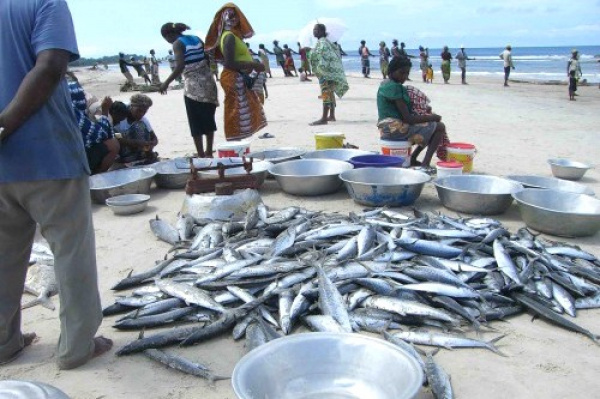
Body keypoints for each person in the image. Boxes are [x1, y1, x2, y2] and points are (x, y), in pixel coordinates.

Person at [0, 0, 112, 369]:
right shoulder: (44, 3)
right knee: (71, 252)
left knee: (3, 258)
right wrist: (5, 125)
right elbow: (50, 66)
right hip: (48, 153)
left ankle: (4, 343)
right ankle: (76, 347)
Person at [205, 3, 267, 141]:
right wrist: (253, 64)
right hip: (233, 77)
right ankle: (234, 144)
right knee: (236, 112)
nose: (233, 18)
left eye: (235, 15)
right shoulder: (229, 37)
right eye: (229, 15)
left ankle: (238, 144)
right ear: (223, 19)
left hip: (238, 77)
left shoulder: (233, 36)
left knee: (241, 112)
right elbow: (229, 63)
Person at [159, 23, 219, 158]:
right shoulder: (196, 38)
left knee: (195, 123)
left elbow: (180, 66)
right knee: (209, 120)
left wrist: (166, 83)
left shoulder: (177, 44)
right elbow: (208, 57)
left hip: (193, 88)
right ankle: (209, 152)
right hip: (209, 84)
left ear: (168, 35)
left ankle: (201, 154)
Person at [376, 57, 445, 167]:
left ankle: (413, 158)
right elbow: (408, 119)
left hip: (386, 129)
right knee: (439, 126)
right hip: (394, 129)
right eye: (401, 73)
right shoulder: (395, 87)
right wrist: (432, 117)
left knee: (430, 127)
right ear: (392, 71)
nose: (404, 76)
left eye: (407, 73)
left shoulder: (386, 84)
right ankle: (425, 164)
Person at [66, 73, 121, 173]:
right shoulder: (70, 107)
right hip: (69, 156)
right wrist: (103, 112)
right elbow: (100, 135)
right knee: (114, 144)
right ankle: (94, 177)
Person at [309, 23, 349, 126]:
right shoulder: (326, 42)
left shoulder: (322, 43)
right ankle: (331, 115)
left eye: (316, 30)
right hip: (330, 73)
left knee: (325, 94)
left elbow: (323, 58)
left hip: (325, 74)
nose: (314, 31)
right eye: (314, 30)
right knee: (330, 93)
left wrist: (320, 69)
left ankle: (324, 118)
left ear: (322, 31)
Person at [114, 94, 159, 164]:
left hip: (140, 148)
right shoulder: (120, 115)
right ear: (131, 106)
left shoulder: (143, 120)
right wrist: (136, 143)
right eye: (139, 110)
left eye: (144, 112)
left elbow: (154, 137)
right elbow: (117, 137)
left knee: (141, 126)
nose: (141, 114)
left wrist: (151, 144)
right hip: (123, 151)